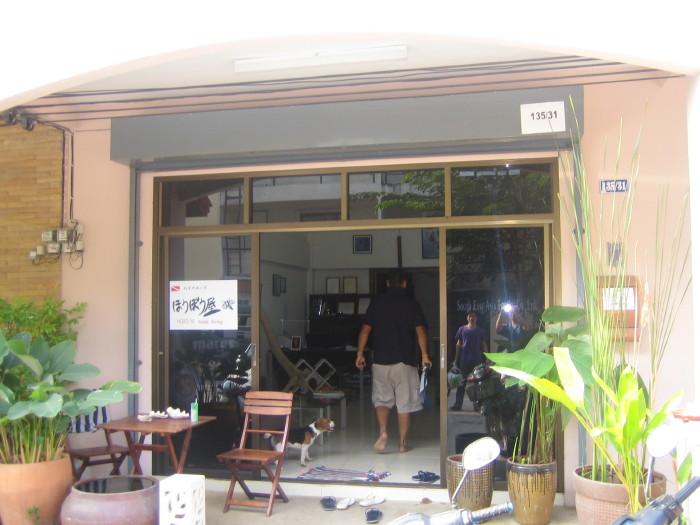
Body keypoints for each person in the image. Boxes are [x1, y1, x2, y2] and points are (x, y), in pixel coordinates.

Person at [355, 270, 431, 453]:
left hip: (380, 361)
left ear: (388, 284)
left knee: (382, 400)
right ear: (405, 284)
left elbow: (365, 330)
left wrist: (360, 353)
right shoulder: (412, 304)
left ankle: (383, 433)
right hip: (404, 362)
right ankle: (402, 444)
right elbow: (420, 331)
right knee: (404, 404)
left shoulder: (377, 303)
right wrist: (424, 355)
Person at [450, 310, 488, 411]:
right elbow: (458, 344)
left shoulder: (480, 331)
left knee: (477, 384)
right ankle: (458, 405)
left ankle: (477, 406)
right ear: (467, 318)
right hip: (464, 361)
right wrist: (455, 359)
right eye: (470, 316)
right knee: (461, 384)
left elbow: (484, 345)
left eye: (473, 316)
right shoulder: (461, 329)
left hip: (477, 361)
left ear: (476, 318)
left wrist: (487, 358)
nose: (471, 318)